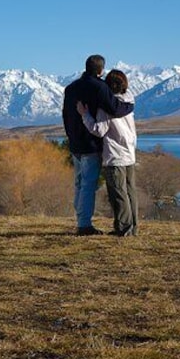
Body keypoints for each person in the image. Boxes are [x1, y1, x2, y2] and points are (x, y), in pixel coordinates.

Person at [62, 55, 134, 236]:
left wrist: (71, 136)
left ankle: (81, 220)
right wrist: (130, 106)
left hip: (75, 144)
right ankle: (84, 225)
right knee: (88, 184)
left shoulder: (70, 88)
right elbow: (115, 108)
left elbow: (66, 116)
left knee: (79, 183)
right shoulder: (100, 87)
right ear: (101, 70)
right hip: (91, 144)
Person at [76, 69, 138, 236]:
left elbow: (99, 130)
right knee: (130, 191)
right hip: (129, 154)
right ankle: (132, 227)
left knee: (118, 194)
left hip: (114, 156)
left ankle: (124, 229)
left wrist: (85, 115)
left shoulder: (107, 107)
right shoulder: (127, 103)